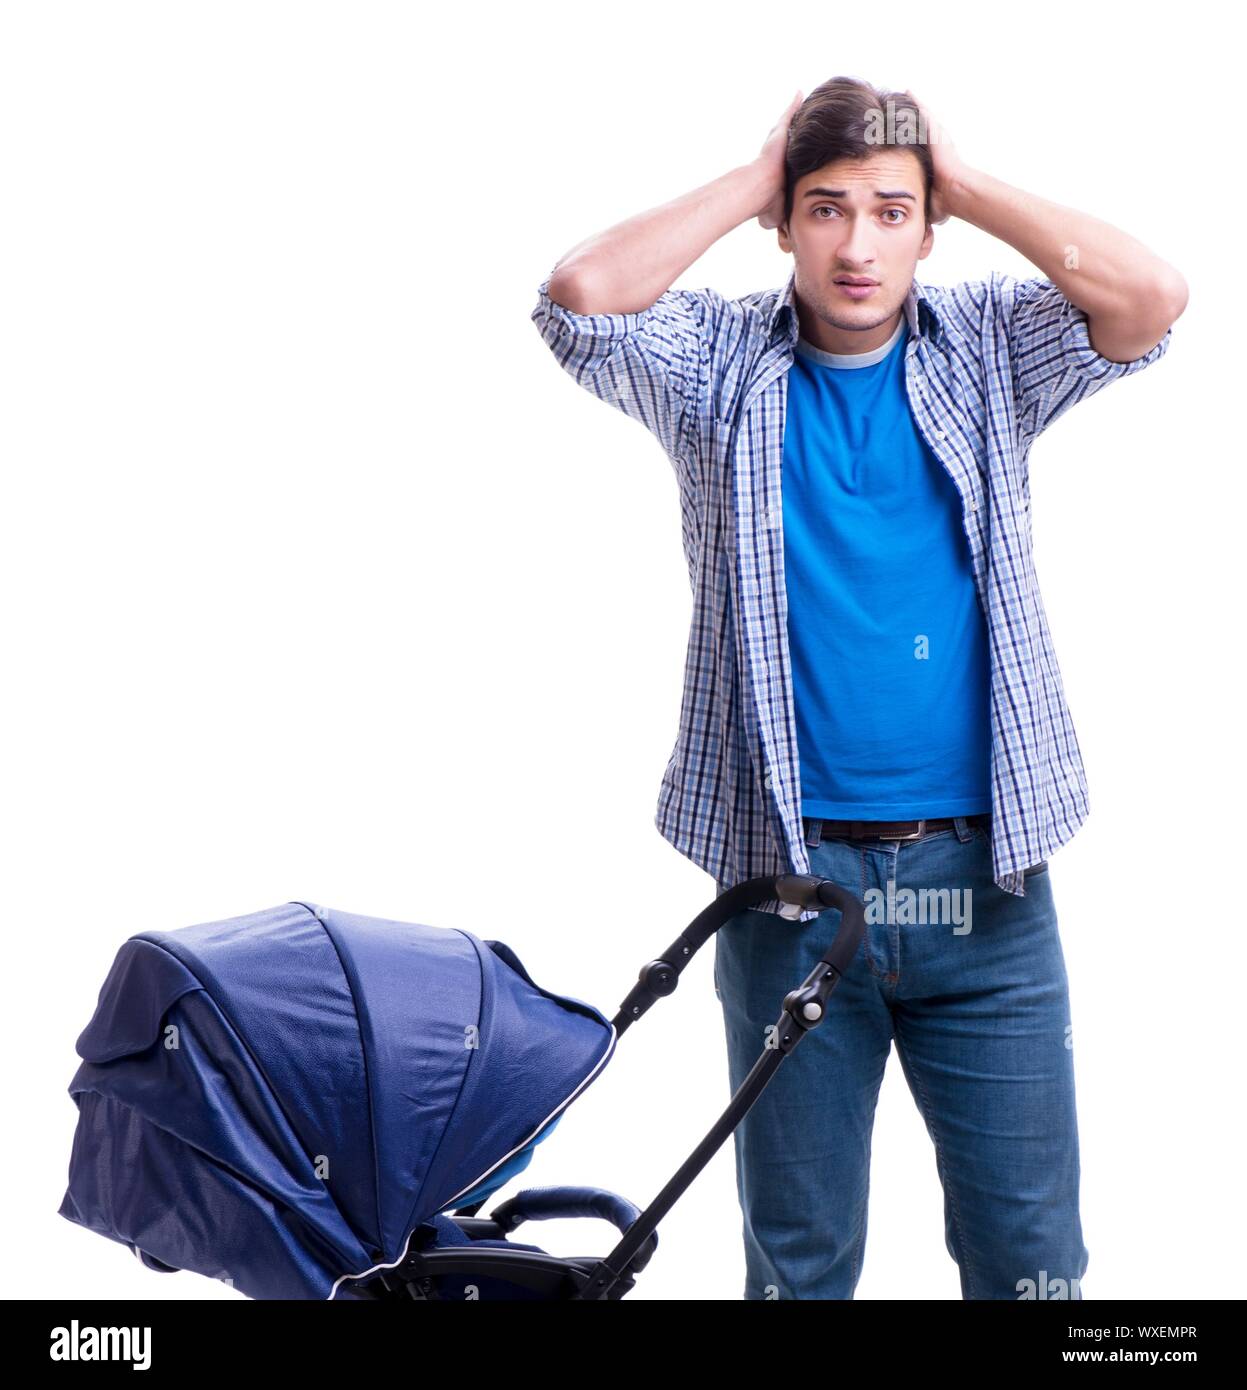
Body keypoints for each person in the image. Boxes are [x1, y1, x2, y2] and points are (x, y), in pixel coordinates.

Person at [530, 76, 1185, 1300]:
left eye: (891, 212)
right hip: (792, 893)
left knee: (1031, 1261)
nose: (856, 243)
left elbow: (1150, 301)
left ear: (928, 228)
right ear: (785, 223)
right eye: (824, 210)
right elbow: (578, 298)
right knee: (798, 1264)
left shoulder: (986, 342)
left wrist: (958, 176)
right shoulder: (717, 363)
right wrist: (753, 173)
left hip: (981, 890)